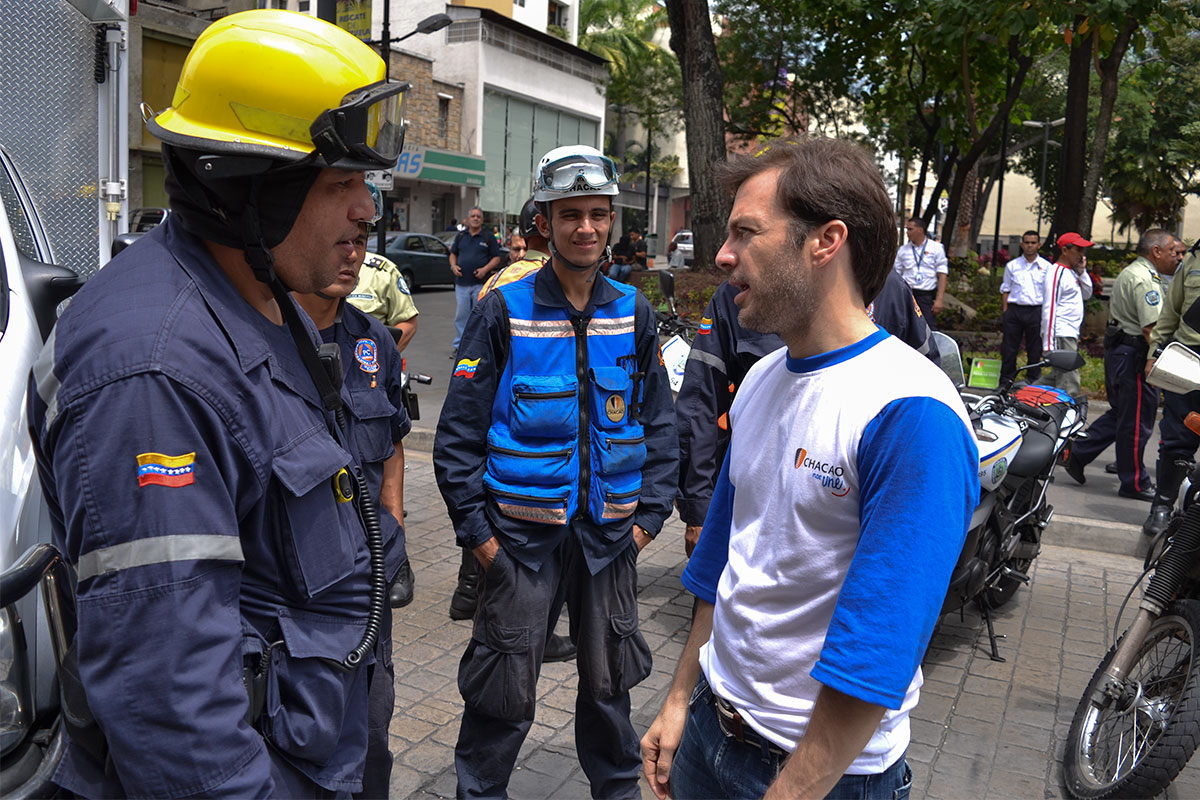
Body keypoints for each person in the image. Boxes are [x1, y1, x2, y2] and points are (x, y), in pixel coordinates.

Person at [26, 10, 404, 796]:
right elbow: (175, 717)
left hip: (317, 747)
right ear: (247, 189)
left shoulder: (266, 299)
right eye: (339, 185)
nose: (368, 211)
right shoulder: (152, 372)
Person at [641, 138, 978, 800]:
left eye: (746, 233)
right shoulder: (764, 378)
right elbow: (721, 568)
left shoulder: (911, 413)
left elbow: (879, 646)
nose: (722, 255)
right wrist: (681, 700)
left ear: (826, 241)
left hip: (819, 776)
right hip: (711, 730)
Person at [434, 143, 677, 798]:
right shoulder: (502, 310)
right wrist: (482, 543)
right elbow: (456, 436)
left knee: (609, 697)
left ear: (613, 221)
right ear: (545, 220)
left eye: (599, 214)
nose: (587, 228)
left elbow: (661, 425)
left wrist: (647, 524)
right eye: (571, 214)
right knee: (499, 699)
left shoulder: (635, 311)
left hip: (608, 546)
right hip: (520, 547)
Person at [676, 270, 941, 555]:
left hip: (860, 514)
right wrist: (698, 509)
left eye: (748, 232)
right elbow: (700, 403)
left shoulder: (890, 289)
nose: (725, 256)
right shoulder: (738, 297)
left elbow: (925, 389)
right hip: (752, 513)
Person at [292, 217, 414, 798]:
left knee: (370, 735)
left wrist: (393, 524)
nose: (352, 258)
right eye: (340, 242)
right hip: (294, 589)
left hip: (367, 579)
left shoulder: (376, 343)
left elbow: (392, 442)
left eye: (361, 246)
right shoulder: (264, 337)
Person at [1063, 229, 1180, 500]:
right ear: (1156, 251)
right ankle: (1134, 482)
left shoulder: (1134, 272)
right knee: (1137, 422)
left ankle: (1077, 454)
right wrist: (1160, 363)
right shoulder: (1145, 280)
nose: (1176, 256)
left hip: (1121, 352)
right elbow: (1151, 329)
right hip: (1136, 356)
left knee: (1121, 414)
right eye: (1172, 250)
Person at [1143, 238, 1200, 536]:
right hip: (1190, 359)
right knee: (1178, 436)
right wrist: (1155, 354)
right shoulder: (1193, 260)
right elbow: (1169, 314)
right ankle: (1163, 505)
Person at [346, 199, 420, 351]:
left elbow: (408, 322)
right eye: (342, 240)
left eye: (358, 242)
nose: (351, 252)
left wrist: (381, 358)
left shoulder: (383, 272)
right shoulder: (310, 272)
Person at [1040, 232, 1094, 407]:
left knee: (1058, 376)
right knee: (1069, 379)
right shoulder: (1056, 272)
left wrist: (1082, 271)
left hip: (1069, 332)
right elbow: (1049, 307)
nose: (1081, 254)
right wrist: (1048, 344)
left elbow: (1087, 293)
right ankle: (1062, 413)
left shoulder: (1072, 273)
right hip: (1061, 332)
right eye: (1078, 249)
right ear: (1064, 250)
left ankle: (1022, 397)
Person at [999, 230, 1051, 385]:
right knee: (1009, 349)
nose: (1029, 246)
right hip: (1014, 311)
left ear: (1039, 245)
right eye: (1027, 242)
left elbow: (1049, 292)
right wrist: (1006, 310)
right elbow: (1006, 289)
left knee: (1034, 349)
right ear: (1022, 244)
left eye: (1033, 243)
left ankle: (1033, 380)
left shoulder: (1046, 267)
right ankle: (1006, 381)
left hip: (1036, 311)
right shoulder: (1012, 266)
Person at [449, 205, 502, 352]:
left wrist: (485, 269)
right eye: (473, 216)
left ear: (482, 220)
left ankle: (477, 346)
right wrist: (453, 266)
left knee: (479, 317)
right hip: (461, 285)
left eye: (478, 216)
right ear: (468, 219)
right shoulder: (460, 236)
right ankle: (459, 346)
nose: (475, 219)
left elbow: (496, 258)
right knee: (461, 317)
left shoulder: (488, 237)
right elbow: (453, 254)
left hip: (481, 285)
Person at [893, 216, 948, 328]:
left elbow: (942, 274)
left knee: (928, 328)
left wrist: (939, 299)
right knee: (904, 328)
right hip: (907, 294)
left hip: (925, 296)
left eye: (910, 229)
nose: (907, 232)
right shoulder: (903, 251)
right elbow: (896, 275)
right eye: (907, 229)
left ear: (920, 230)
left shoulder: (936, 248)